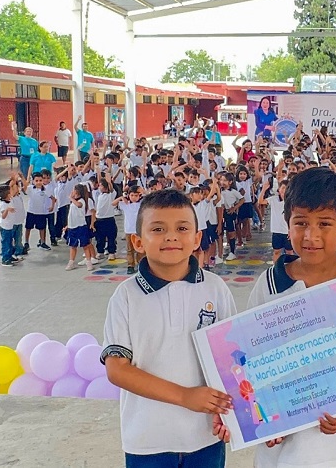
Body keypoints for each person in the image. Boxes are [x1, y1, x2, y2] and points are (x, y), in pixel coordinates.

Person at [218, 167, 336, 468]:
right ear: (287, 225)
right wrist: (257, 416)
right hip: (279, 449)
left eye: (325, 224)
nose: (311, 235)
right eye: (300, 223)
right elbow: (247, 358)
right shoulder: (269, 283)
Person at [102, 189, 236, 468]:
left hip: (205, 437)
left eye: (182, 228)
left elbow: (232, 358)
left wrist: (233, 416)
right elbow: (117, 369)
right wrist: (185, 396)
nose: (171, 236)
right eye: (158, 229)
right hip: (147, 440)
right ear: (138, 241)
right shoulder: (126, 297)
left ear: (197, 238)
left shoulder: (216, 289)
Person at [0, 184, 20, 267]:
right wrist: (7, 210)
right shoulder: (3, 204)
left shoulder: (10, 200)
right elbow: (3, 216)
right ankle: (5, 259)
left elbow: (15, 191)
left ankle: (10, 256)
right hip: (5, 227)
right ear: (7, 195)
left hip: (10, 226)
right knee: (6, 243)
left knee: (10, 242)